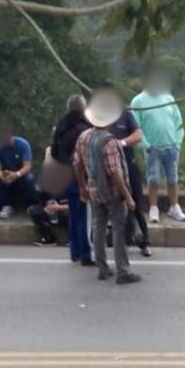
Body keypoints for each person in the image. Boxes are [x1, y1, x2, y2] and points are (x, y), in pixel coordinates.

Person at [74, 89, 142, 284]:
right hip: (112, 192)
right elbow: (115, 173)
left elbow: (77, 165)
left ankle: (102, 268)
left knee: (98, 228)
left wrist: (83, 187)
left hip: (94, 189)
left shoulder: (83, 137)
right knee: (119, 230)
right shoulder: (110, 142)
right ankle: (123, 271)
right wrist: (128, 197)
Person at [131, 70, 185, 223]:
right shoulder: (138, 101)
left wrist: (178, 143)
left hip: (172, 146)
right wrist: (146, 145)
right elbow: (136, 126)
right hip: (153, 148)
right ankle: (153, 208)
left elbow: (178, 122)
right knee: (153, 179)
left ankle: (174, 207)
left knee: (173, 179)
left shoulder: (168, 98)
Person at [105, 89, 152, 257]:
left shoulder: (125, 114)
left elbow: (138, 135)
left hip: (127, 165)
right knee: (110, 207)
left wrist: (121, 143)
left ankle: (144, 242)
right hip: (107, 168)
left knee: (136, 203)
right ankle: (115, 244)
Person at [50, 94, 93, 265]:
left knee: (74, 214)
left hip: (64, 174)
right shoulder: (83, 129)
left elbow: (53, 152)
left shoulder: (61, 127)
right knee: (85, 216)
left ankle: (74, 251)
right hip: (80, 176)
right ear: (83, 109)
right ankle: (86, 254)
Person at [0, 122, 37, 218]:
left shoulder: (23, 144)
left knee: (30, 179)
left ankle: (32, 205)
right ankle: (5, 205)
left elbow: (27, 166)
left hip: (20, 173)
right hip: (4, 173)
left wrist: (16, 174)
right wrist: (1, 175)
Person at [28, 158, 73, 248]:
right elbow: (41, 202)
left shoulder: (69, 185)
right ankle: (48, 237)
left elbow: (76, 205)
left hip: (64, 210)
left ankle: (72, 239)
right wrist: (46, 208)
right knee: (34, 210)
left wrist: (59, 207)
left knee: (72, 215)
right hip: (52, 213)